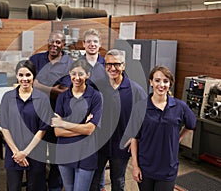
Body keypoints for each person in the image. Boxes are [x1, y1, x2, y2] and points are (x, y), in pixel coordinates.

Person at [130, 66, 197, 191]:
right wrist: (135, 166)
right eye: (157, 80)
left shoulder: (180, 107)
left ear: (170, 84)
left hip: (168, 169)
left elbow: (191, 125)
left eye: (165, 81)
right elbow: (135, 138)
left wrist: (178, 138)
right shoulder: (140, 107)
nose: (161, 85)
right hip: (146, 167)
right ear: (151, 82)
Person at [90, 49, 147, 191]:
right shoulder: (97, 86)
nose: (112, 68)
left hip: (121, 146)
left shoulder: (136, 90)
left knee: (118, 180)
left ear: (124, 65)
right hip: (99, 144)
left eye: (117, 64)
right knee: (94, 180)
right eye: (109, 64)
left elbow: (145, 117)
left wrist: (134, 137)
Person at [29, 30, 73, 191]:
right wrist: (52, 88)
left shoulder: (69, 63)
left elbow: (64, 91)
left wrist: (39, 85)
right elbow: (27, 82)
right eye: (52, 41)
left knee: (56, 157)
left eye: (58, 42)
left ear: (63, 45)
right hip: (36, 115)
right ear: (47, 41)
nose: (54, 45)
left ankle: (54, 187)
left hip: (57, 117)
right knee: (37, 158)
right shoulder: (35, 59)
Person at [51, 58, 103, 191]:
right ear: (69, 74)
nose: (77, 78)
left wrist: (63, 123)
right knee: (68, 189)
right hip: (65, 151)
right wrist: (82, 128)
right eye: (74, 74)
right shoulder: (62, 97)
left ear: (88, 75)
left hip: (86, 152)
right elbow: (57, 132)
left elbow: (90, 130)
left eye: (81, 74)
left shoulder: (96, 96)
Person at [0, 60, 51, 191]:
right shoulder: (7, 97)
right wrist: (17, 153)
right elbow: (4, 126)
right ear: (16, 76)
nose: (24, 79)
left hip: (36, 152)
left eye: (28, 75)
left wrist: (26, 152)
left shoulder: (42, 98)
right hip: (13, 153)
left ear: (33, 76)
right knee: (13, 187)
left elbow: (42, 129)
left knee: (35, 187)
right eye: (21, 75)